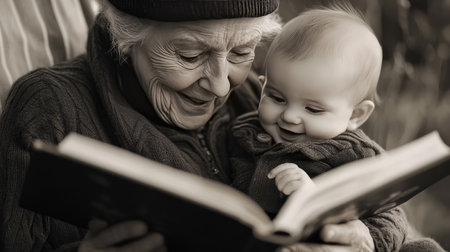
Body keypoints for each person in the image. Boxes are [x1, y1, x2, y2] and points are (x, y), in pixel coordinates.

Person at [0, 0, 436, 251]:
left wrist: (364, 239)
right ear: (126, 37)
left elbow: (382, 210)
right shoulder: (51, 106)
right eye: (189, 55)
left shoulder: (268, 99)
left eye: (243, 52)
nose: (221, 83)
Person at [229, 5, 408, 252]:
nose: (290, 116)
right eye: (277, 98)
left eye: (313, 110)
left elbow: (392, 216)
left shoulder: (357, 156)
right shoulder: (243, 132)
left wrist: (319, 201)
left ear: (356, 115)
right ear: (262, 88)